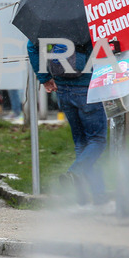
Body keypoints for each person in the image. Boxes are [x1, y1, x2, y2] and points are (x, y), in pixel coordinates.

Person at [27, 39, 108, 205]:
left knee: (81, 144)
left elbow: (31, 46)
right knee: (97, 140)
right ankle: (76, 173)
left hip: (62, 89)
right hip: (87, 87)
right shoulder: (86, 19)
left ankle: (89, 196)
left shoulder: (51, 20)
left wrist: (44, 77)